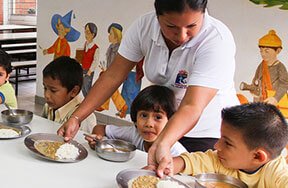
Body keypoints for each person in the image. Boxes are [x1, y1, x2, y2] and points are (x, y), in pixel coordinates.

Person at [58, 0, 239, 177]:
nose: (182, 36)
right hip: (163, 124)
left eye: (191, 26)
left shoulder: (216, 40)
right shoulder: (144, 27)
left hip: (203, 134)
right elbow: (113, 75)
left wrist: (163, 142)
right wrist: (77, 117)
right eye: (171, 27)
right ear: (158, 16)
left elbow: (193, 106)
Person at [172, 102, 288, 187]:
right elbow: (194, 161)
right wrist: (167, 165)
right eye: (220, 137)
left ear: (257, 156)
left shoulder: (277, 173)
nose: (217, 146)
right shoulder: (221, 159)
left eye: (227, 143)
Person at [85, 85, 187, 156]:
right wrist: (98, 139)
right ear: (135, 117)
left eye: (158, 117)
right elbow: (100, 128)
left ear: (170, 121)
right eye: (144, 115)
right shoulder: (135, 133)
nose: (149, 124)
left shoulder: (175, 151)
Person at [240, 30, 288, 118]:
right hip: (260, 102)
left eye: (267, 51)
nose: (263, 54)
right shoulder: (262, 65)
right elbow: (255, 81)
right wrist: (253, 89)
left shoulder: (280, 67)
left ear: (278, 50)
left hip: (273, 103)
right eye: (261, 51)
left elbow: (284, 85)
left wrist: (275, 98)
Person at [42, 56, 96, 133]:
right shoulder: (48, 107)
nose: (47, 95)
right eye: (45, 88)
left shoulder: (85, 118)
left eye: (53, 91)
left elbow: (84, 144)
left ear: (73, 91)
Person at [81, 22, 99, 97]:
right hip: (83, 68)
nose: (86, 35)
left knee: (87, 87)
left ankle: (89, 105)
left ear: (93, 34)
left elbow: (95, 61)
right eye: (85, 32)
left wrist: (90, 71)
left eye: (88, 32)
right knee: (82, 87)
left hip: (89, 71)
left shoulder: (96, 48)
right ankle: (86, 103)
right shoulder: (85, 44)